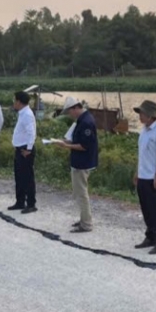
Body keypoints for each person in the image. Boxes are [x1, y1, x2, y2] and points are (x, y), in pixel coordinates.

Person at [52, 97, 98, 233]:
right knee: (78, 193)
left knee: (82, 193)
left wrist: (65, 145)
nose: (69, 115)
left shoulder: (86, 122)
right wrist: (64, 142)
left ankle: (86, 224)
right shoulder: (82, 120)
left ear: (76, 108)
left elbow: (84, 146)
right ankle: (84, 218)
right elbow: (75, 139)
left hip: (83, 163)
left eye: (69, 112)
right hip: (79, 161)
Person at [134, 100, 156, 254]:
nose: (140, 116)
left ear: (150, 115)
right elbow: (142, 154)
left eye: (142, 113)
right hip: (143, 174)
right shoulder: (144, 130)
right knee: (146, 208)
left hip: (153, 176)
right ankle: (151, 236)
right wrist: (137, 172)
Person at [8, 91, 37, 214]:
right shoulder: (22, 113)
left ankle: (31, 203)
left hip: (25, 149)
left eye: (14, 100)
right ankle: (20, 201)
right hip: (20, 149)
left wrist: (29, 149)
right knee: (19, 177)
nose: (13, 103)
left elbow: (31, 133)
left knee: (27, 177)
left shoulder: (27, 115)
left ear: (19, 102)